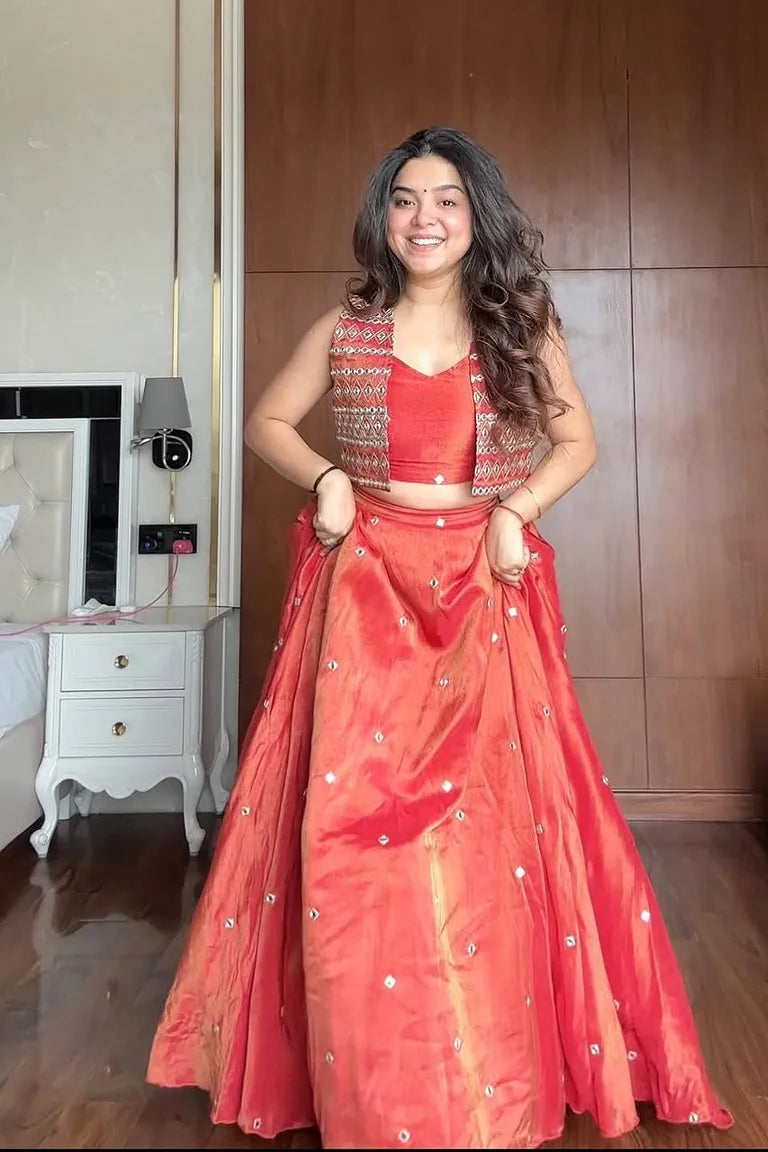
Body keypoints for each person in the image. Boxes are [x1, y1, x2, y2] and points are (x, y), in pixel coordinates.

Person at [147, 126, 732, 1149]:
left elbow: (577, 441)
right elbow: (265, 424)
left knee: (484, 834)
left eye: (447, 200)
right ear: (383, 217)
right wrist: (328, 477)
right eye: (406, 199)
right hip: (367, 589)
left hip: (480, 586)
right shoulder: (347, 330)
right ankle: (377, 1088)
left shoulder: (520, 327)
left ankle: (484, 1078)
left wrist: (517, 510)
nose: (425, 218)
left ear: (476, 216)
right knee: (354, 839)